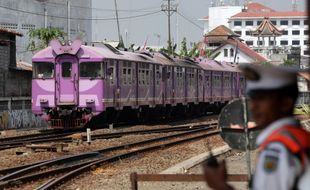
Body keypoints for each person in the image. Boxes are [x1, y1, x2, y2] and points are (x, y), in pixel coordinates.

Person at [204, 63, 310, 190]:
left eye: (261, 99)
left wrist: (220, 185)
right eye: (253, 99)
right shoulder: (300, 137)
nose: (253, 106)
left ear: (285, 103)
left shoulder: (278, 150)